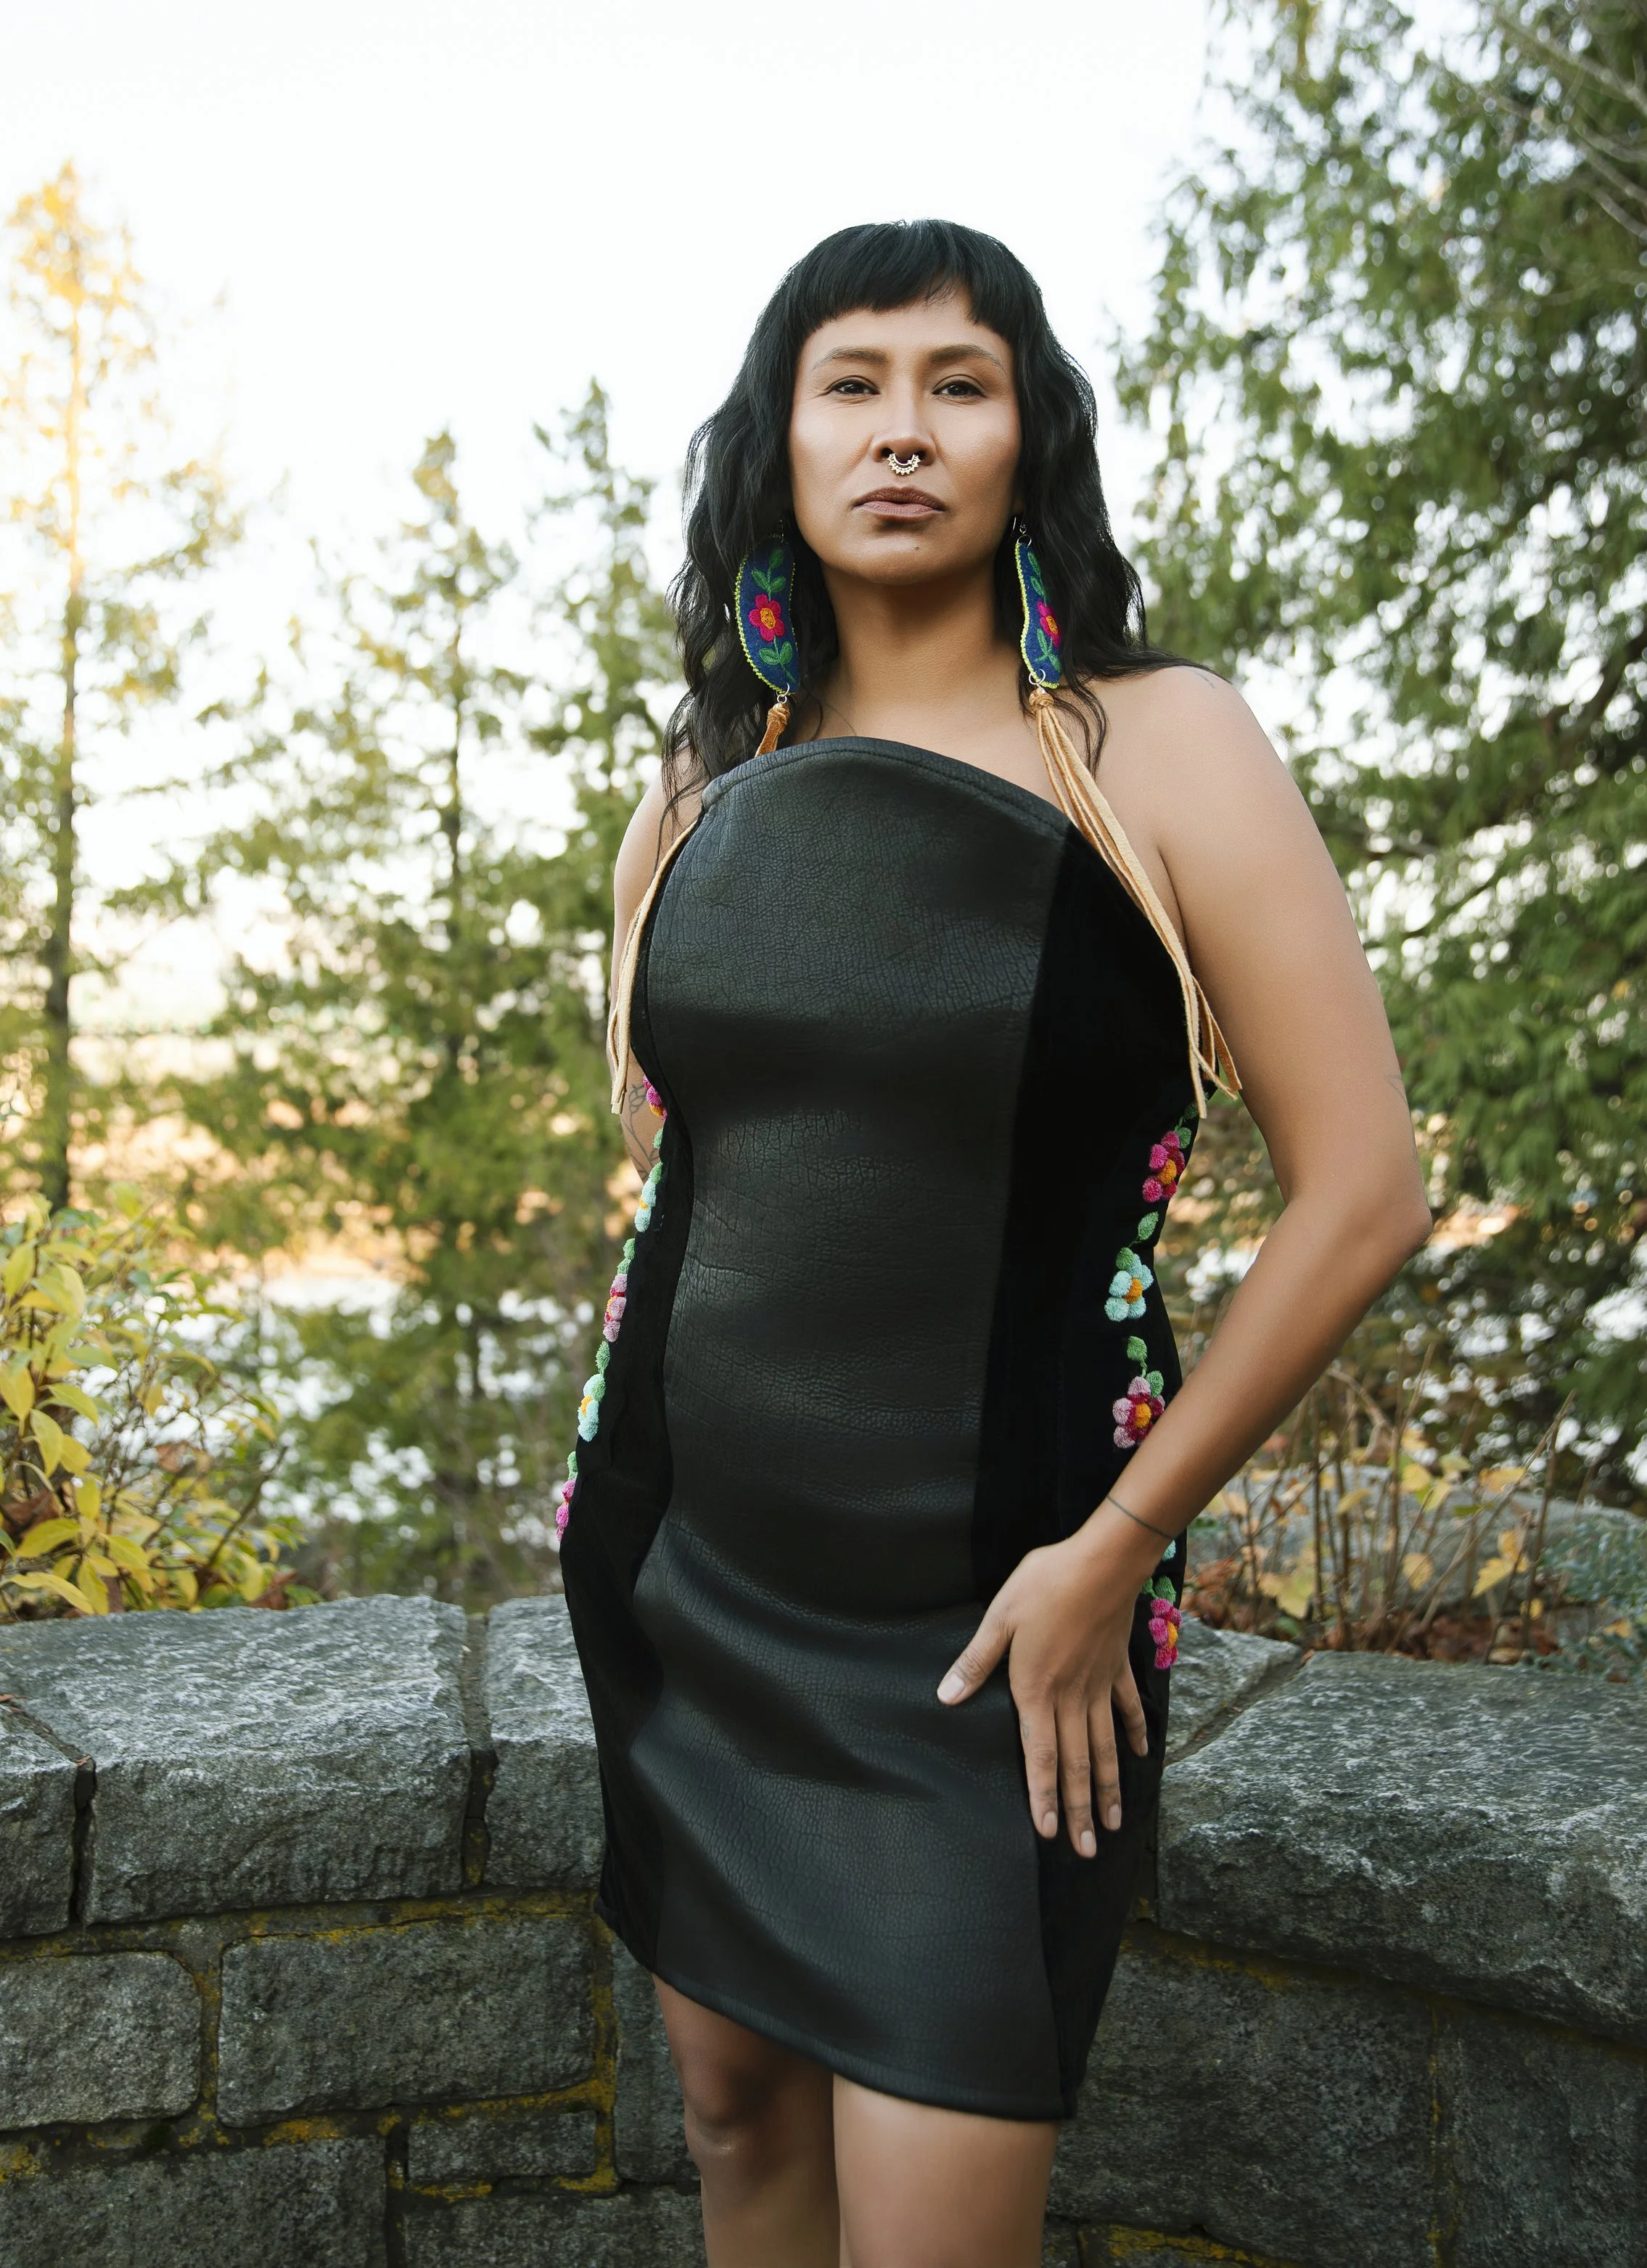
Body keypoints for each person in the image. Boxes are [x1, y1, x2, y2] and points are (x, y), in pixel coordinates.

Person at [556, 219, 1431, 2268]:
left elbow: (1364, 1187)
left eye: (958, 381)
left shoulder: (1158, 748)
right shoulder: (699, 786)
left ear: (1024, 430)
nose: (902, 430)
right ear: (775, 439)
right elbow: (697, 1180)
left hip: (1005, 1612)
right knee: (731, 2116)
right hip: (691, 1575)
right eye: (848, 381)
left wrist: (1111, 1547)